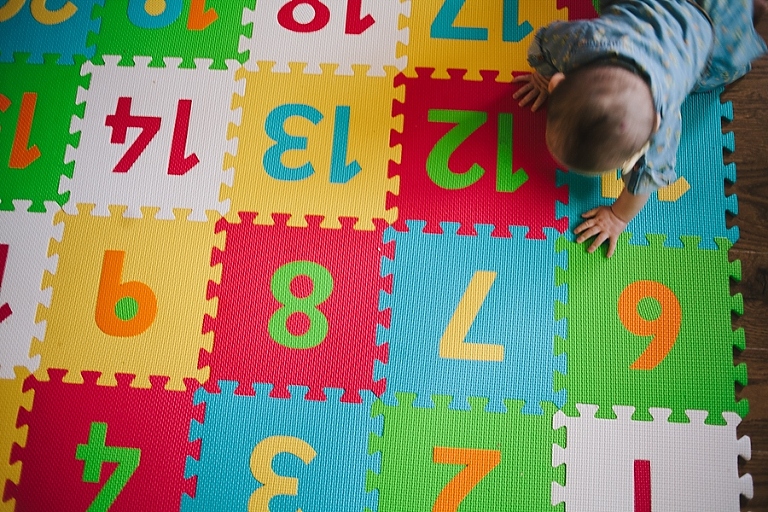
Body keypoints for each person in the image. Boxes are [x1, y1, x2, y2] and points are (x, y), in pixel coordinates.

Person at [513, 0, 767, 257]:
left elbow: (646, 181)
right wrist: (542, 76)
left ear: (654, 129)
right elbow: (545, 43)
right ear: (557, 82)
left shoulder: (663, 127)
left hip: (713, 28)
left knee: (713, 71)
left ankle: (750, 10)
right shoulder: (581, 41)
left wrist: (617, 217)